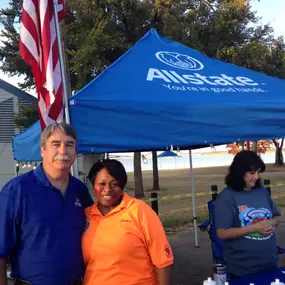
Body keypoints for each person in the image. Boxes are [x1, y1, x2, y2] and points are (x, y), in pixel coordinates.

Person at [0, 122, 94, 285]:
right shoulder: (16, 190)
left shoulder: (79, 190)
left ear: (75, 151)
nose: (63, 151)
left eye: (69, 144)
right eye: (55, 144)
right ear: (43, 150)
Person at [82, 159, 173, 285]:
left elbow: (163, 261)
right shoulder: (86, 215)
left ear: (122, 185)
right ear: (93, 185)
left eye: (114, 184)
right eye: (102, 184)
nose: (107, 189)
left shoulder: (139, 211)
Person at [215, 150, 281, 278]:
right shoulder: (226, 197)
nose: (256, 177)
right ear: (239, 173)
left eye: (258, 172)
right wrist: (254, 228)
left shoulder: (261, 191)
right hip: (243, 269)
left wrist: (271, 222)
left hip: (271, 263)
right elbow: (222, 233)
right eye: (252, 173)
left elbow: (276, 217)